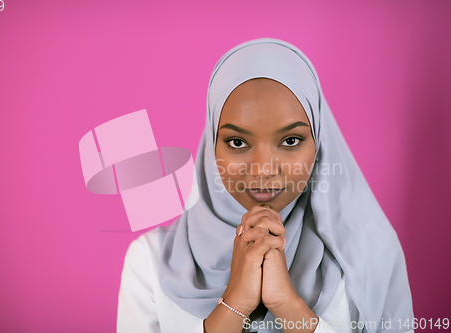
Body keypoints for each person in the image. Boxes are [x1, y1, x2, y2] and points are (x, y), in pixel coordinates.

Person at [116, 38, 414, 333]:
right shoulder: (150, 263)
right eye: (237, 142)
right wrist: (233, 304)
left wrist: (288, 305)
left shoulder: (370, 256)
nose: (263, 169)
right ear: (211, 148)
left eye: (290, 141)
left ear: (318, 143)